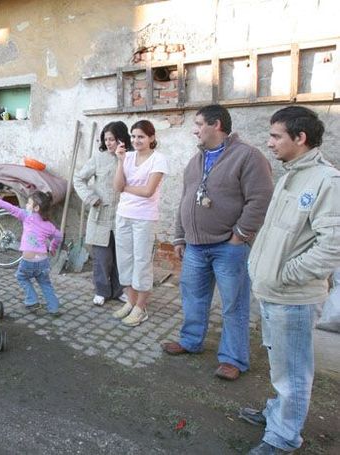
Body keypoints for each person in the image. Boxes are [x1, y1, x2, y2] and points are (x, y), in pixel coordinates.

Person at [243, 106, 340, 455]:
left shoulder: (327, 182)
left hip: (293, 296)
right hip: (273, 292)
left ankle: (283, 438)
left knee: (294, 373)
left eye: (275, 136)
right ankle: (277, 414)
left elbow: (333, 246)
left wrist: (286, 275)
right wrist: (262, 270)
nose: (269, 143)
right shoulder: (289, 176)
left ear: (300, 138)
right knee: (280, 365)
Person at [162, 104, 273, 381]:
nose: (194, 129)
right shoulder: (195, 160)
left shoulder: (248, 156)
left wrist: (240, 236)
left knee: (234, 304)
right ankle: (190, 341)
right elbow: (185, 201)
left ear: (217, 125)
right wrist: (179, 235)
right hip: (195, 247)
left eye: (199, 123)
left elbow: (260, 199)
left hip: (229, 246)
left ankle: (233, 359)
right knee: (192, 297)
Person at [111, 120, 169, 327]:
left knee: (142, 261)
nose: (136, 140)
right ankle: (130, 302)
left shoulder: (158, 160)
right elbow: (117, 186)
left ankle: (141, 308)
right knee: (125, 260)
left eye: (141, 136)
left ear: (151, 138)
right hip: (124, 214)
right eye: (133, 136)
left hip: (144, 217)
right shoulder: (126, 157)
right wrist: (119, 161)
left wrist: (126, 187)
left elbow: (148, 191)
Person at [73, 121, 129, 306]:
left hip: (123, 215)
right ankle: (102, 290)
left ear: (121, 138)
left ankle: (119, 290)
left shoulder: (130, 157)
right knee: (102, 258)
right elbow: (78, 179)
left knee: (121, 257)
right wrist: (91, 197)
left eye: (112, 139)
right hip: (101, 215)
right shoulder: (98, 158)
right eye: (106, 140)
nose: (109, 143)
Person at [0, 191, 63, 316]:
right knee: (45, 283)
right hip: (43, 261)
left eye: (28, 203)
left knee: (21, 277)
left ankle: (32, 300)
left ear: (36, 208)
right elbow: (59, 236)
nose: (26, 205)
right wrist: (53, 247)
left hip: (28, 260)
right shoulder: (49, 225)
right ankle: (54, 308)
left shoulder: (27, 216)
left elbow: (11, 208)